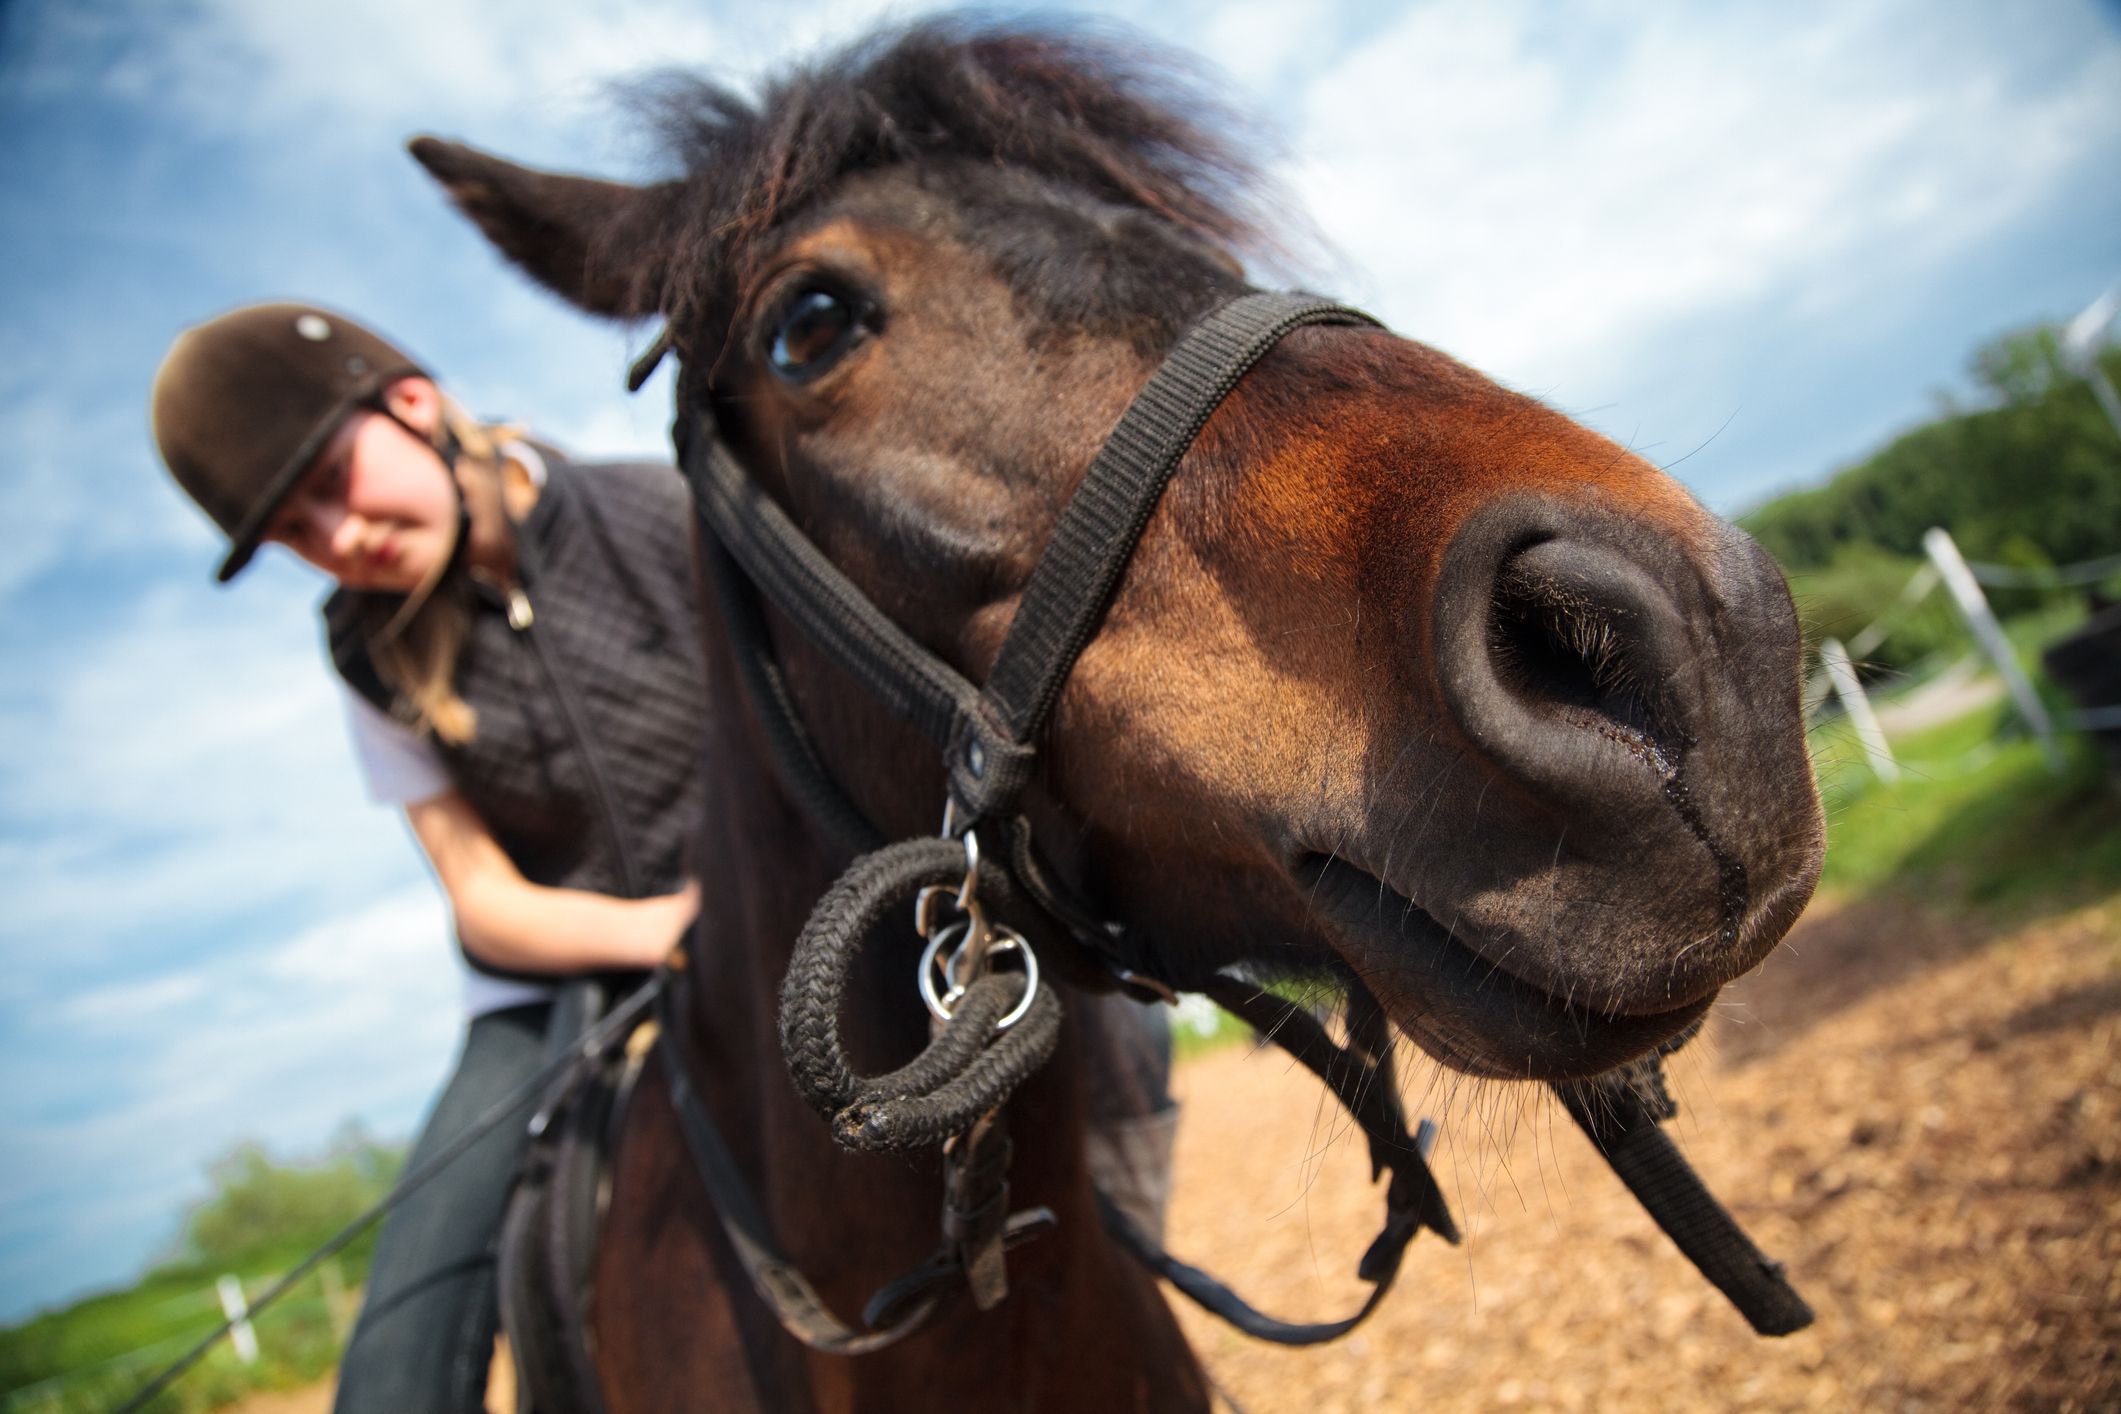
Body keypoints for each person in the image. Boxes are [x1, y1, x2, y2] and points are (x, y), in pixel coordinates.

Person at [150, 302, 706, 1412]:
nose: (339, 536)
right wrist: (665, 930)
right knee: (393, 1369)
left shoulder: (661, 512)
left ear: (411, 404)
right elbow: (484, 901)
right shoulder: (367, 654)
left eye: (333, 480)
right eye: (296, 532)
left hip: (771, 902)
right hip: (548, 984)